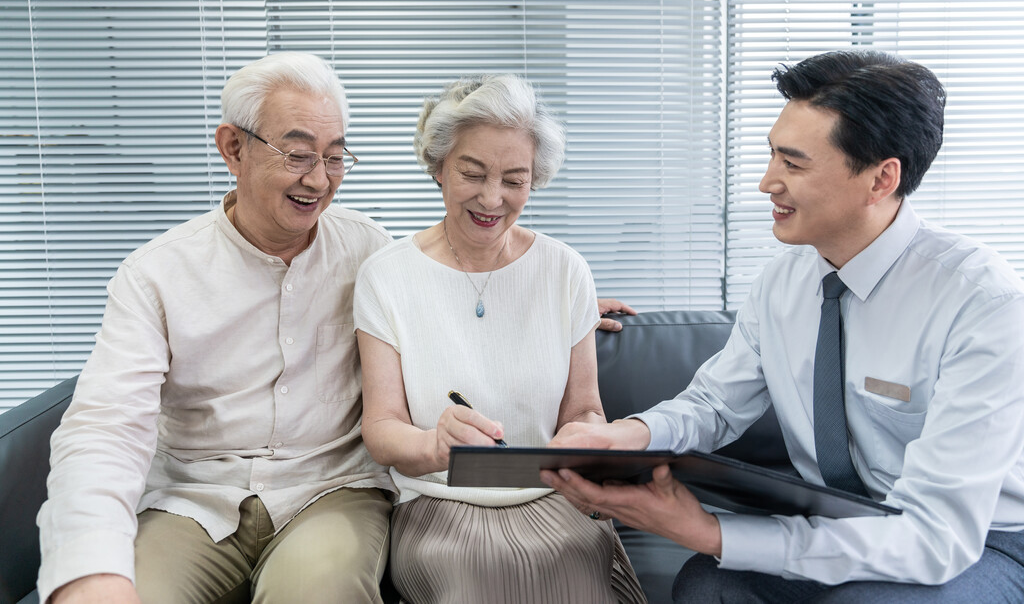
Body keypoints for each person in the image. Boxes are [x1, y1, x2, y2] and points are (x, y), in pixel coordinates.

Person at [543, 50, 1024, 602]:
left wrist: (710, 531)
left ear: (881, 178)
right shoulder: (783, 281)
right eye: (773, 156)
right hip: (839, 523)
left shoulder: (983, 303)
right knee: (705, 585)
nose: (767, 182)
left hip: (982, 538)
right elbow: (715, 406)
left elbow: (935, 537)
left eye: (793, 165)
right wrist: (624, 437)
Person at [36, 52, 397, 604]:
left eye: (335, 156)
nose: (320, 180)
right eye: (298, 154)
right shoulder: (156, 273)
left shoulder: (369, 250)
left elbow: (445, 327)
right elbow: (106, 428)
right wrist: (89, 571)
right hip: (193, 499)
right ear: (233, 148)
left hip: (331, 491)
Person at [353, 73, 647, 603]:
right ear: (439, 167)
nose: (493, 198)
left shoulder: (565, 270)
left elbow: (584, 409)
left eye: (515, 180)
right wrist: (432, 445)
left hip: (556, 499)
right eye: (473, 173)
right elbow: (380, 428)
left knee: (571, 576)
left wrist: (580, 440)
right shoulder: (385, 276)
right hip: (439, 506)